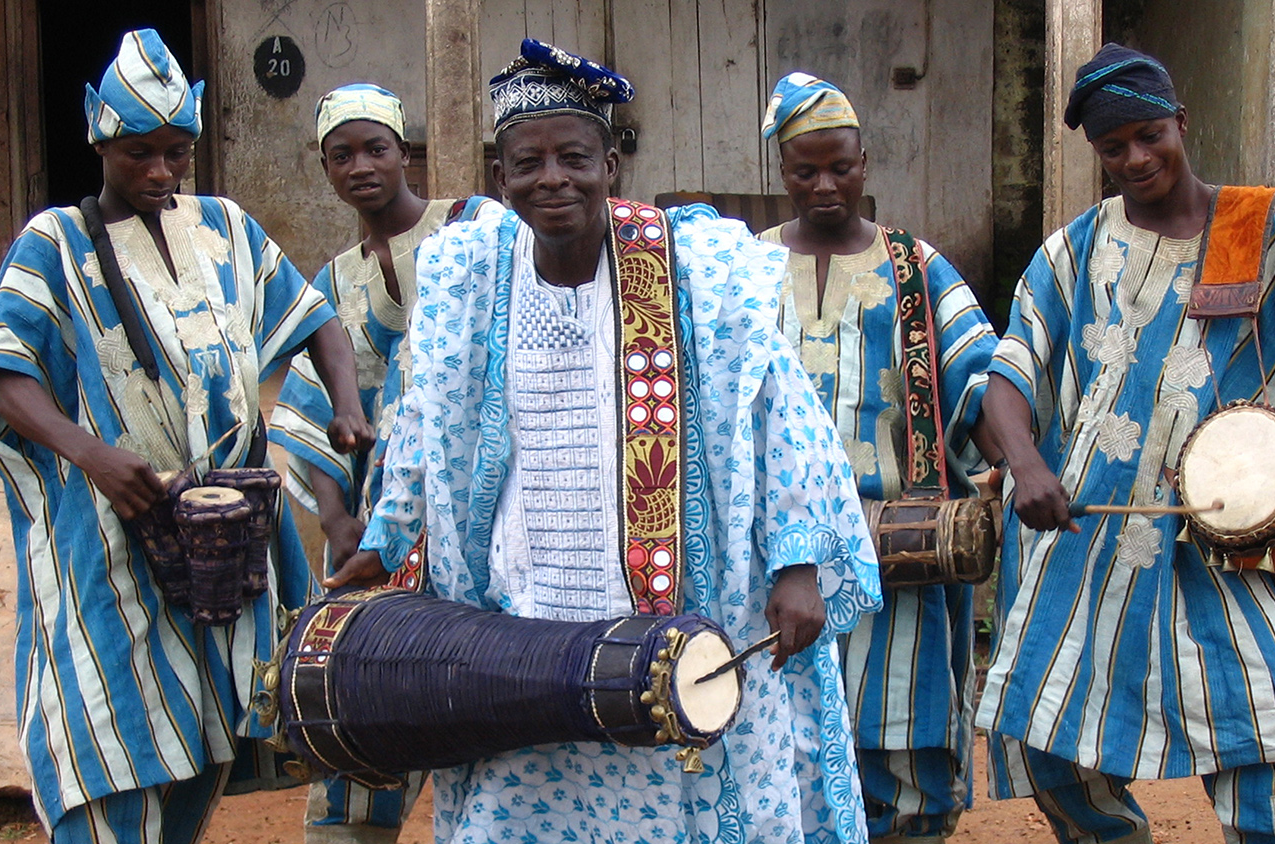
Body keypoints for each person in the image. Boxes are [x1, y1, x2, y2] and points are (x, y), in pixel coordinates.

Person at [329, 39, 883, 844]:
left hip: (687, 602)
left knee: (678, 772)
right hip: (519, 612)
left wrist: (798, 563)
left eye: (574, 157)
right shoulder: (469, 273)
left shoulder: (697, 265)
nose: (553, 178)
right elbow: (421, 424)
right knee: (522, 795)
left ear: (612, 164)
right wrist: (386, 541)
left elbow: (779, 408)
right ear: (499, 177)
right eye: (529, 163)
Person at [0, 29, 373, 843]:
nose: (159, 173)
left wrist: (347, 403)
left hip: (229, 532)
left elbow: (316, 318)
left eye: (176, 154)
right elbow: (4, 371)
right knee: (108, 726)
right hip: (109, 532)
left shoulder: (225, 227)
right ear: (99, 141)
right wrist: (92, 454)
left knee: (209, 729)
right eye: (138, 154)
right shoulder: (54, 244)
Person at [975, 44, 1275, 844]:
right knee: (1045, 728)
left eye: (1150, 135)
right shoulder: (1072, 250)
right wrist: (1027, 465)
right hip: (1077, 533)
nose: (1135, 158)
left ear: (1181, 122)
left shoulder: (1253, 235)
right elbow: (1007, 375)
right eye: (1113, 148)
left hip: (1220, 539)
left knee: (1269, 737)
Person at [757, 74, 1000, 844]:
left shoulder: (916, 268)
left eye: (840, 167)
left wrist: (1012, 465)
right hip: (775, 556)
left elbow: (978, 380)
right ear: (782, 172)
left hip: (899, 547)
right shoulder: (747, 268)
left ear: (867, 163)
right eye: (805, 170)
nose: (825, 186)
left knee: (904, 746)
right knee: (780, 743)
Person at [269, 82, 499, 844]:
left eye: (376, 148)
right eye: (343, 155)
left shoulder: (472, 229)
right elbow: (306, 409)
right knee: (363, 697)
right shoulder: (332, 282)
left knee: (487, 696)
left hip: (477, 521)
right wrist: (337, 520)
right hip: (382, 536)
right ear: (325, 169)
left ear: (406, 152)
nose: (361, 165)